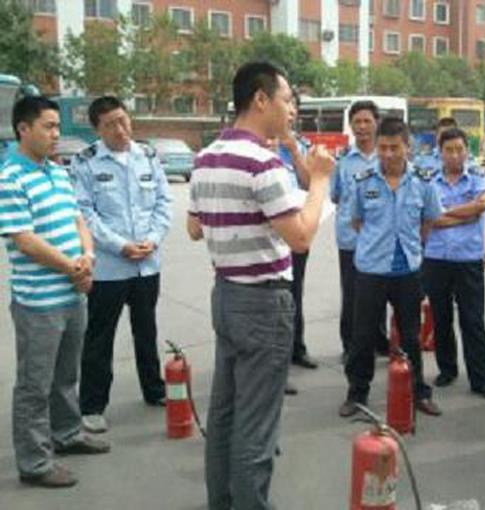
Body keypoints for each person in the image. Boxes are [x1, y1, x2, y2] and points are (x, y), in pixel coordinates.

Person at [187, 61, 335, 510]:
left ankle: (222, 501)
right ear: (261, 99)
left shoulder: (207, 157)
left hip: (227, 294)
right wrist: (320, 179)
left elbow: (194, 228)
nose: (292, 110)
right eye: (287, 99)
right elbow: (301, 237)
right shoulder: (263, 162)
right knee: (257, 425)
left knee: (226, 414)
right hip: (262, 302)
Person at [0, 96, 109, 489]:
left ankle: (67, 433)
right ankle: (34, 462)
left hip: (72, 294)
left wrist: (88, 257)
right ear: (23, 129)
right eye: (48, 126)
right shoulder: (9, 177)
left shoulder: (58, 172)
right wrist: (72, 268)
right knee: (35, 384)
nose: (56, 134)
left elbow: (79, 220)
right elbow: (25, 241)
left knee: (66, 376)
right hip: (39, 303)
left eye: (57, 126)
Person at [72, 96, 172, 434]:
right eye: (110, 124)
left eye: (123, 120)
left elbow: (163, 202)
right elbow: (84, 214)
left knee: (146, 329)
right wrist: (120, 245)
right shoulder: (85, 163)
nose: (120, 129)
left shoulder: (147, 156)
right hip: (109, 268)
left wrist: (153, 239)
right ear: (97, 130)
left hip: (147, 264)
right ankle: (92, 406)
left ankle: (154, 389)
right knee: (100, 337)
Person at [338, 117, 443, 418]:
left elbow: (429, 220)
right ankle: (357, 393)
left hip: (407, 270)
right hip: (370, 270)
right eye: (382, 147)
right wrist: (376, 244)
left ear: (407, 147)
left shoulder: (423, 181)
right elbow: (357, 221)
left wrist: (412, 246)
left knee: (411, 336)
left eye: (394, 147)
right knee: (363, 336)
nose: (387, 154)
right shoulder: (364, 181)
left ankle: (418, 391)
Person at [422, 128, 485, 404]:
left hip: (468, 260)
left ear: (467, 151)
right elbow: (429, 218)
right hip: (435, 259)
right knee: (441, 317)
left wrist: (445, 213)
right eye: (449, 150)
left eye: (459, 149)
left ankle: (482, 379)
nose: (455, 155)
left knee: (473, 320)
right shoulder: (429, 180)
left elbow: (482, 205)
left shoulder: (480, 176)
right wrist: (463, 215)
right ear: (440, 152)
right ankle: (447, 369)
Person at [330, 100, 389, 361]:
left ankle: (379, 341)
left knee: (380, 294)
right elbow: (335, 196)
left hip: (381, 240)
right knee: (352, 296)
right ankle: (350, 346)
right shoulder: (343, 161)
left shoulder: (388, 156)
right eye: (357, 122)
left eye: (367, 121)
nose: (362, 126)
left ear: (377, 123)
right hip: (350, 240)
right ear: (351, 126)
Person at [277, 90, 318, 371]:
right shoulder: (261, 143)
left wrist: (293, 151)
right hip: (271, 234)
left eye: (294, 107)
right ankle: (277, 360)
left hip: (296, 229)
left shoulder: (300, 146)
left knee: (295, 292)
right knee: (274, 298)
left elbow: (309, 183)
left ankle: (296, 348)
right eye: (286, 105)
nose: (290, 112)